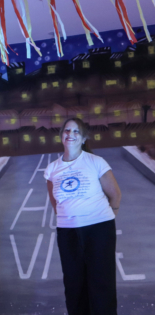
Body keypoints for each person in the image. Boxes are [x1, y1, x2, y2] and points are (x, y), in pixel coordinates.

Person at [44, 118, 121, 315]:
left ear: (84, 138)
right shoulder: (52, 169)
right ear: (61, 135)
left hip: (99, 230)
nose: (70, 134)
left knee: (101, 282)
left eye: (76, 131)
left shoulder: (96, 162)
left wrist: (104, 220)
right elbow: (56, 203)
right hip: (67, 232)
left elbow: (115, 195)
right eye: (67, 130)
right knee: (74, 284)